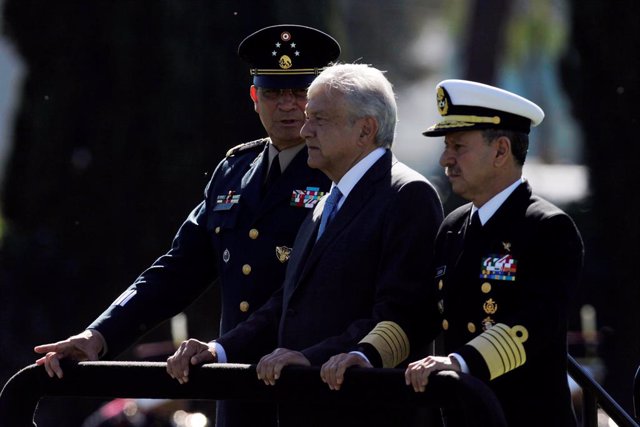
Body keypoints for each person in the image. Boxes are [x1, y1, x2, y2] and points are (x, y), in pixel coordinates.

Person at [33, 24, 340, 427]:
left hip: (312, 388)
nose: (287, 106)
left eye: (299, 93)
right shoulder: (234, 171)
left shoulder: (337, 172)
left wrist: (221, 348)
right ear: (254, 98)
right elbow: (176, 271)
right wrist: (97, 337)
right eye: (272, 93)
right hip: (238, 393)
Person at [165, 63, 444, 427]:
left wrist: (309, 357)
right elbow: (287, 304)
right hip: (308, 407)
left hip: (365, 411)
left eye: (320, 119)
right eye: (308, 117)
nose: (304, 128)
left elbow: (402, 314)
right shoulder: (328, 199)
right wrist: (219, 349)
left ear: (365, 129)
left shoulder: (407, 195)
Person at [401, 79, 583, 426]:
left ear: (501, 151)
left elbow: (534, 323)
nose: (445, 159)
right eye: (446, 146)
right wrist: (363, 354)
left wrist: (460, 362)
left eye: (458, 146)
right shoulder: (453, 225)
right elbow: (421, 314)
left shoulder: (548, 228)